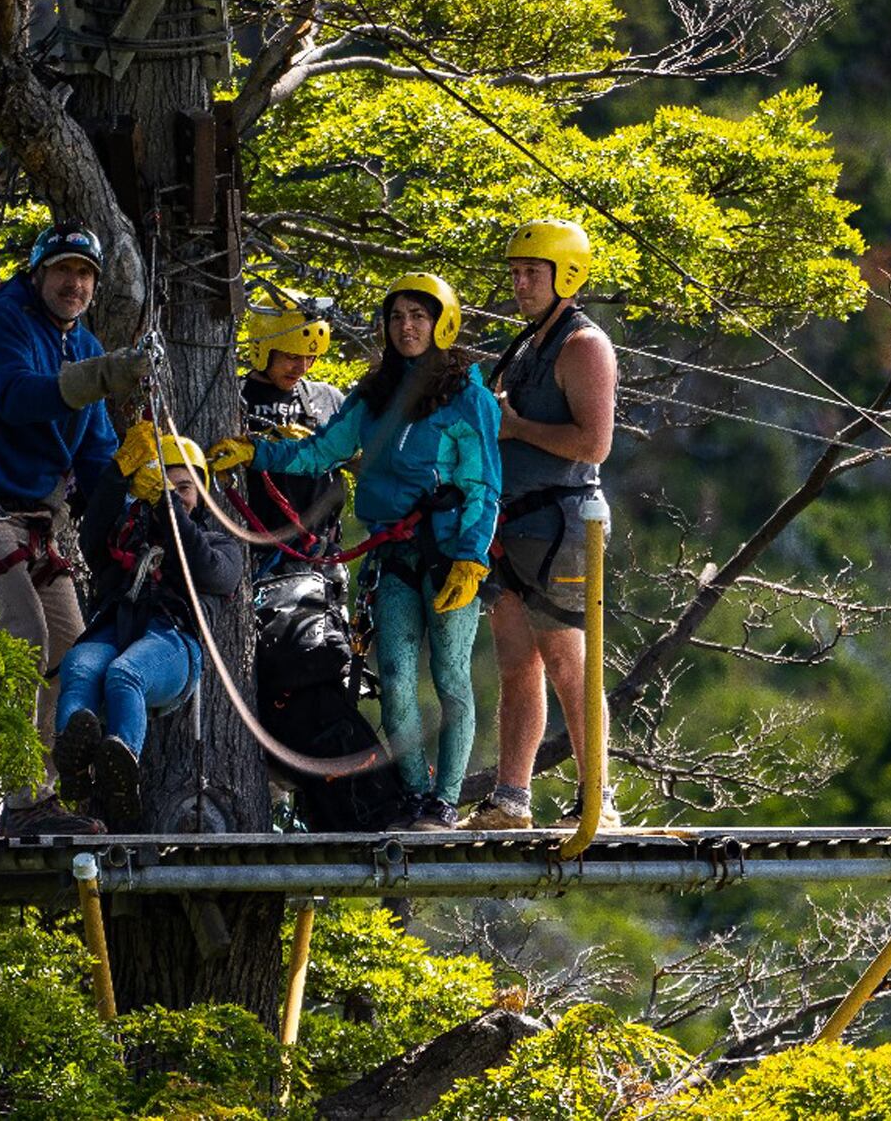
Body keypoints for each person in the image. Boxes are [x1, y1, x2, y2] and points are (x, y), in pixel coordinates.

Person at [210, 273, 501, 831]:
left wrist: (472, 556)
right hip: (392, 556)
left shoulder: (469, 397)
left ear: (442, 323)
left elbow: (484, 484)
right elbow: (322, 451)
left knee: (450, 677)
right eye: (397, 318)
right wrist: (254, 454)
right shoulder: (372, 395)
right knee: (393, 679)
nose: (407, 327)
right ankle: (415, 797)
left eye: (419, 316)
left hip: (448, 556)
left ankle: (443, 801)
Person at [0, 222, 149, 836]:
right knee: (20, 632)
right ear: (38, 272)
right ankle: (13, 803)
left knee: (72, 651)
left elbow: (97, 455)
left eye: (85, 276)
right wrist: (103, 376)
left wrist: (138, 510)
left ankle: (40, 797)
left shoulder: (84, 343)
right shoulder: (2, 320)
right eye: (64, 270)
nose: (74, 284)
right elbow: (17, 398)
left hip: (33, 517)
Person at [463, 220, 619, 832]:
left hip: (562, 523)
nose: (520, 282)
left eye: (533, 272)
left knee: (568, 661)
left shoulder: (583, 345)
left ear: (566, 275)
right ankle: (511, 799)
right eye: (517, 271)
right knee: (515, 664)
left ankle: (597, 801)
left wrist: (517, 427)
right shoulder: (527, 343)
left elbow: (595, 443)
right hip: (512, 523)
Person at [51, 424, 242, 831]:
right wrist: (119, 473)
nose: (175, 493)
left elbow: (208, 571)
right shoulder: (123, 538)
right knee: (79, 666)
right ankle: (73, 763)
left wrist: (166, 506)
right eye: (164, 483)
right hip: (116, 632)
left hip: (173, 644)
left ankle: (122, 770)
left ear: (203, 495)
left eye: (186, 487)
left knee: (125, 675)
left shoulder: (220, 546)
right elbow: (92, 532)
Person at [238, 303, 346, 568]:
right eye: (292, 356)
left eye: (310, 358)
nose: (302, 367)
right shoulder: (234, 397)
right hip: (254, 552)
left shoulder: (328, 399)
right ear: (263, 348)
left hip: (319, 552)